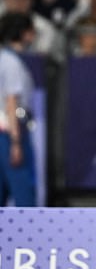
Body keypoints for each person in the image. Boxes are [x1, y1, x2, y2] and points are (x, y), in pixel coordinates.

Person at [0, 12, 36, 206]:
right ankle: (30, 236)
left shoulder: (4, 59)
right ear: (24, 33)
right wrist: (16, 142)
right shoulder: (12, 63)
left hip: (4, 130)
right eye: (32, 32)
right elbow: (11, 101)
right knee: (24, 195)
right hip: (10, 132)